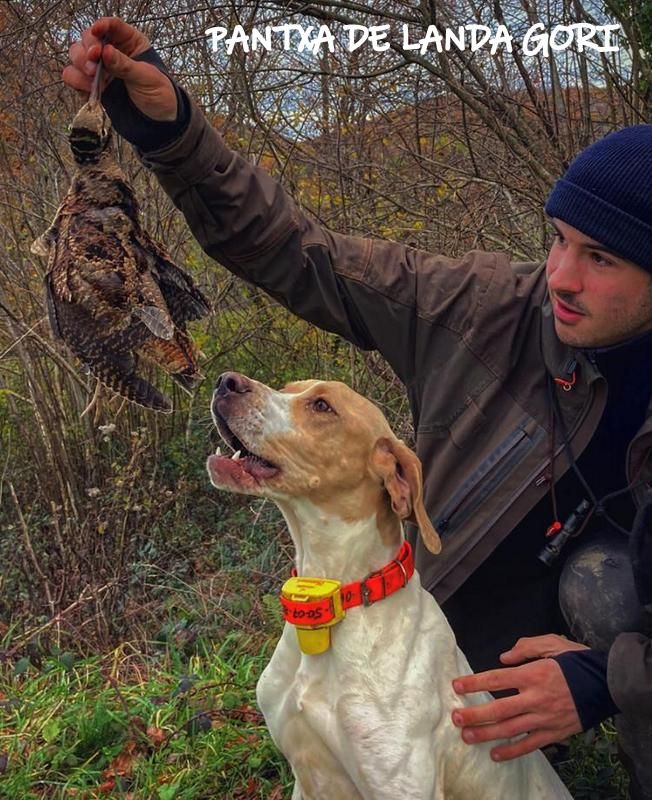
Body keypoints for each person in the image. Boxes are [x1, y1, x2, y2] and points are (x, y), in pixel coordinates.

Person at [64, 17, 652, 799]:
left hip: (615, 635)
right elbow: (298, 249)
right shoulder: (484, 310)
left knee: (605, 587)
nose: (560, 277)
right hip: (445, 646)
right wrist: (168, 127)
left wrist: (603, 681)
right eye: (558, 240)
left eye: (601, 257)